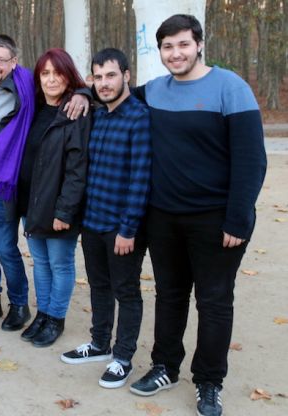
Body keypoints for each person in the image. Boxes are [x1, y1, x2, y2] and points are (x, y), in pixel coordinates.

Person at [127, 15, 266, 416]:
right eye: (168, 47)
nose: (176, 53)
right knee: (169, 296)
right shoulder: (154, 91)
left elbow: (251, 160)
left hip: (216, 220)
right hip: (164, 217)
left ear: (199, 44)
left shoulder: (230, 88)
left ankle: (209, 381)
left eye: (183, 45)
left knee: (214, 302)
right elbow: (113, 95)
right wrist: (85, 94)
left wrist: (238, 219)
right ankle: (165, 366)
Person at [0, 35, 88, 332]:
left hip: (4, 186)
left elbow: (63, 79)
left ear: (14, 62)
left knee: (6, 247)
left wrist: (83, 93)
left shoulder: (27, 86)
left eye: (0, 60)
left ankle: (19, 303)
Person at [60, 48, 150, 390]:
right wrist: (83, 92)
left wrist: (129, 230)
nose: (104, 83)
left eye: (111, 75)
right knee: (99, 286)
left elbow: (141, 179)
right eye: (97, 77)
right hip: (93, 221)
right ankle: (99, 344)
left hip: (122, 228)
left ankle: (123, 357)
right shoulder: (96, 115)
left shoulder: (139, 118)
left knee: (126, 291)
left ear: (127, 75)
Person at [19, 48, 91, 348]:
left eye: (57, 72)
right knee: (40, 262)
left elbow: (77, 169)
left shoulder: (77, 112)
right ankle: (43, 314)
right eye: (45, 73)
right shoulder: (33, 108)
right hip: (31, 203)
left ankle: (56, 319)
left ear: (68, 75)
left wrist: (65, 211)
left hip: (59, 206)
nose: (51, 79)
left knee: (60, 264)